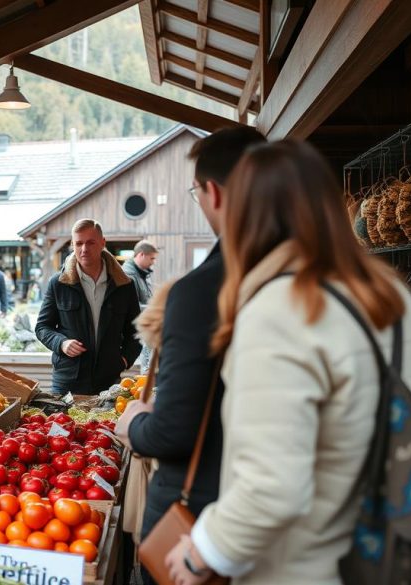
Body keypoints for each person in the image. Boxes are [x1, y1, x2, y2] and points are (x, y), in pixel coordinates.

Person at [159, 141, 411, 585]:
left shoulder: (281, 310)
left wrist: (205, 549)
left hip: (309, 567)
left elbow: (272, 486)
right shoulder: (393, 301)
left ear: (242, 212)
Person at [114, 126, 265, 584]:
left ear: (213, 193)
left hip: (201, 525)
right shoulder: (305, 280)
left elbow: (174, 432)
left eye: (195, 192)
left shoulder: (202, 291)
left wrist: (134, 422)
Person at [35, 219, 141, 396]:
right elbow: (42, 327)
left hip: (108, 382)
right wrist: (61, 343)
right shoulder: (58, 283)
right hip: (67, 382)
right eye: (79, 243)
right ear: (73, 245)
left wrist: (123, 361)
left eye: (90, 242)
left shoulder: (124, 285)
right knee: (61, 425)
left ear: (102, 243)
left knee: (105, 425)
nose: (84, 249)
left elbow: (136, 332)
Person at [123, 240, 157, 308]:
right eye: (152, 258)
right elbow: (131, 307)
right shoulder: (128, 276)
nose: (154, 262)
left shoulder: (144, 273)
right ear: (141, 255)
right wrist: (155, 309)